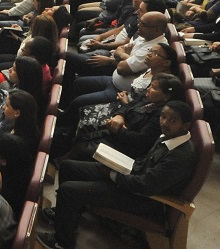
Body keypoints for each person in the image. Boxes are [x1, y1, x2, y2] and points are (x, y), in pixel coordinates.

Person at [37, 101, 197, 249]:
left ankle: (63, 242)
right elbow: (145, 165)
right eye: (163, 116)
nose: (164, 123)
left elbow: (145, 186)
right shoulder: (169, 136)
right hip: (131, 177)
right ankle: (66, 217)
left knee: (68, 190)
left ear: (186, 126)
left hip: (141, 198)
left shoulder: (179, 156)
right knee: (68, 166)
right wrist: (117, 164)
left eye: (173, 120)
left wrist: (113, 174)